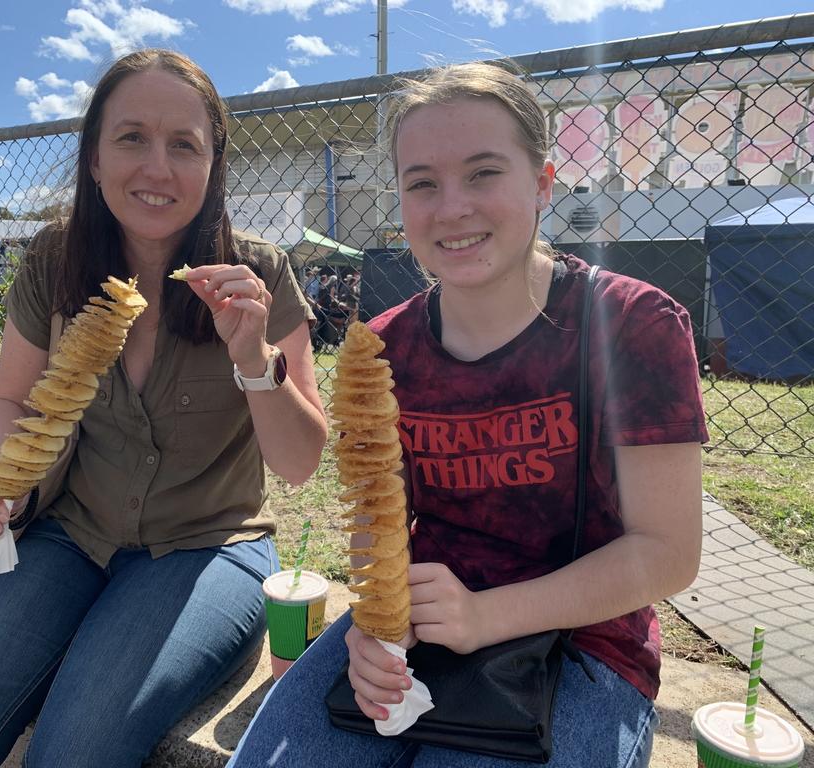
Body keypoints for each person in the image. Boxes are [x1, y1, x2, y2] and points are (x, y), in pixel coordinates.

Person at [227, 62, 707, 768]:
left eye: (484, 172)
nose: (451, 207)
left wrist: (487, 616)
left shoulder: (632, 325)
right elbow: (379, 521)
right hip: (417, 621)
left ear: (542, 184)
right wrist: (373, 631)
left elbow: (668, 552)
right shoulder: (385, 347)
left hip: (581, 642)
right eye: (423, 182)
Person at [0, 49, 327, 768]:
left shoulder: (259, 274)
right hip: (66, 536)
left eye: (185, 145)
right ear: (92, 157)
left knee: (74, 752)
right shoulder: (54, 262)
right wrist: (1, 480)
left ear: (213, 166)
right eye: (131, 138)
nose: (158, 167)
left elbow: (300, 463)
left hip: (208, 548)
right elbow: (12, 399)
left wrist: (253, 362)